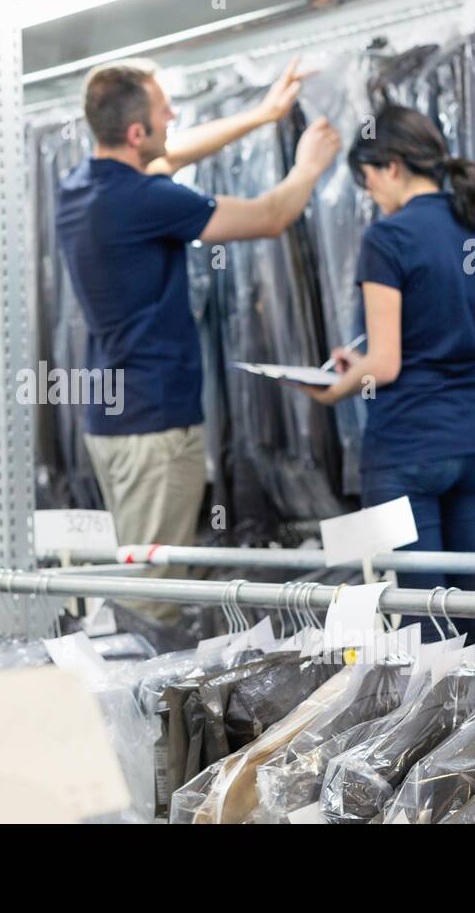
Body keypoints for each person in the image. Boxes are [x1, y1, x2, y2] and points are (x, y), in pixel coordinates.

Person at [56, 56, 341, 622]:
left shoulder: (82, 187)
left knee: (141, 578)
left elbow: (175, 151)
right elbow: (270, 215)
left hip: (116, 424)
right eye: (166, 112)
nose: (175, 119)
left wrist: (263, 115)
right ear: (136, 133)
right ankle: (135, 707)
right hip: (155, 430)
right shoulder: (147, 200)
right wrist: (308, 166)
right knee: (152, 601)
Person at [297, 105, 475, 668]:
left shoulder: (387, 239)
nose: (370, 196)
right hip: (474, 443)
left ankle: (433, 752)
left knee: (423, 624)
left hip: (407, 448)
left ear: (390, 166)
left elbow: (387, 364)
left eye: (366, 180)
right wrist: (366, 362)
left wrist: (335, 386)